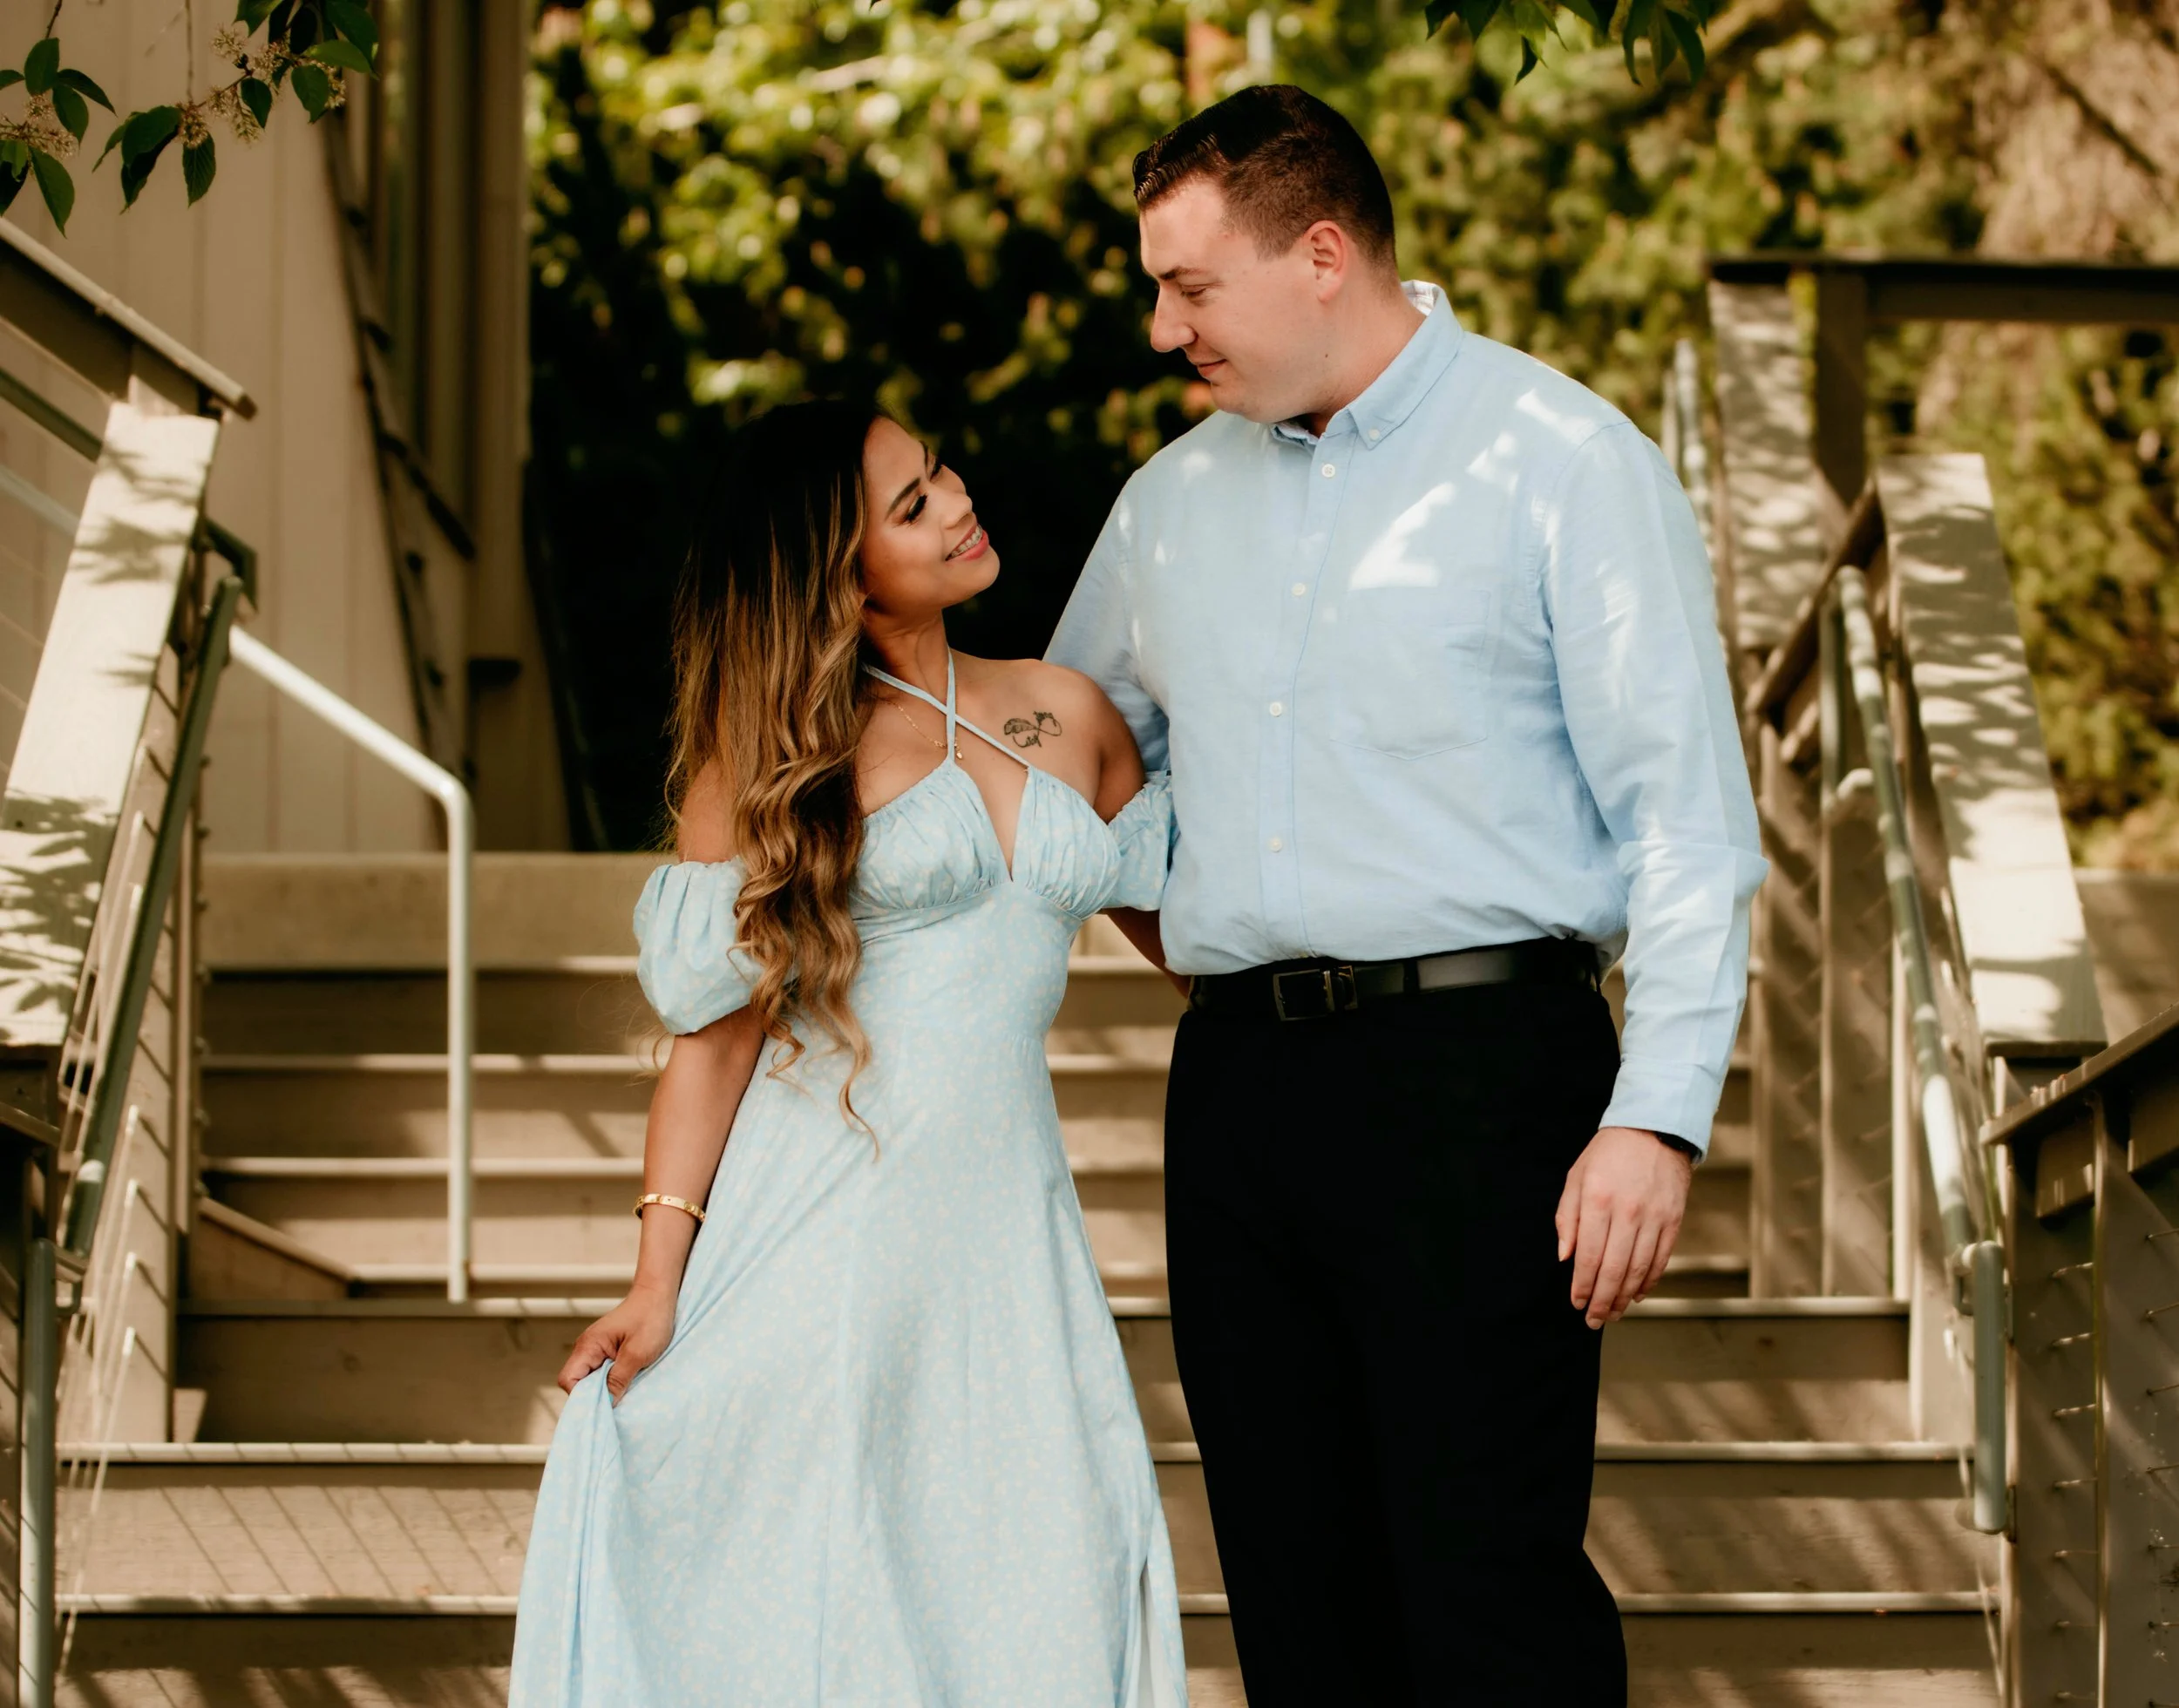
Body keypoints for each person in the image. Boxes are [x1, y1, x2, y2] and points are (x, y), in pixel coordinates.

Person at [1048, 85, 1768, 1705]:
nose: (1164, 330)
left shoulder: (1564, 462)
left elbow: (1686, 824)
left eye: (1190, 286)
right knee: (1294, 1603)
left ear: (1322, 255)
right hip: (1238, 1096)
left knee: (1484, 1598)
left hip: (1483, 1085)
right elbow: (1072, 763)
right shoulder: (1168, 505)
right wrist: (1196, 934)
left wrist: (1656, 1121)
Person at [510, 399, 1188, 1707]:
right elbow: (712, 1046)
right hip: (821, 1238)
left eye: (938, 471)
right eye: (912, 506)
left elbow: (1197, 943)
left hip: (1008, 1242)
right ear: (840, 572)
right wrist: (655, 1281)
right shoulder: (774, 760)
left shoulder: (1064, 711)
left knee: (1046, 1575)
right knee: (835, 1599)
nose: (957, 502)